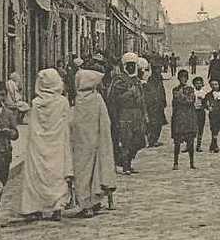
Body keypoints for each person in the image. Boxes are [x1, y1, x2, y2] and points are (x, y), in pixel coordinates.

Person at [19, 68, 73, 221]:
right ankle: (57, 207)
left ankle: (36, 207)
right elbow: (67, 122)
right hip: (57, 143)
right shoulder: (62, 102)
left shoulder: (36, 103)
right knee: (56, 174)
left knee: (38, 174)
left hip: (39, 144)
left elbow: (32, 125)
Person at [69, 66, 117, 216]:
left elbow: (73, 122)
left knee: (82, 173)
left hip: (81, 144)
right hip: (96, 143)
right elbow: (105, 122)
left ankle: (87, 205)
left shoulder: (79, 100)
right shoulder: (97, 99)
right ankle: (93, 202)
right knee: (95, 172)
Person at [107, 53, 147, 174]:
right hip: (124, 113)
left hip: (137, 114)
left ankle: (129, 160)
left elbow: (142, 99)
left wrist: (145, 114)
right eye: (128, 65)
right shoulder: (119, 80)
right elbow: (115, 99)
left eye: (132, 65)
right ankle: (126, 165)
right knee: (126, 140)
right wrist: (129, 93)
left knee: (138, 140)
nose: (130, 68)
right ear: (124, 66)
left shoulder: (137, 80)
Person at [170, 70, 197, 170]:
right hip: (179, 118)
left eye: (185, 77)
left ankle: (192, 162)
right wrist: (184, 98)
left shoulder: (190, 89)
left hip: (189, 118)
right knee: (177, 143)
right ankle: (175, 162)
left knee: (190, 142)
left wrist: (182, 98)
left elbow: (191, 100)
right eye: (181, 77)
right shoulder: (175, 89)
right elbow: (177, 100)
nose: (183, 79)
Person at [144, 62, 168, 148]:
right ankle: (152, 140)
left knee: (159, 123)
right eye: (158, 69)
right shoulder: (151, 79)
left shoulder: (159, 79)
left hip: (159, 105)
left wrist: (164, 100)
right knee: (153, 123)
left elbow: (162, 90)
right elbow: (150, 92)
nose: (159, 70)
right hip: (153, 105)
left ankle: (154, 140)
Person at [203, 79, 220, 153]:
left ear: (219, 85)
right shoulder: (208, 95)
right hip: (212, 114)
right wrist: (208, 107)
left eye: (216, 84)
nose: (214, 86)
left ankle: (213, 144)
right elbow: (205, 103)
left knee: (217, 128)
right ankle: (215, 144)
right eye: (212, 85)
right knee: (213, 128)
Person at [191, 76, 208, 153]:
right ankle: (189, 145)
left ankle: (198, 145)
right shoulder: (192, 92)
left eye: (200, 83)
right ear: (194, 84)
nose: (198, 85)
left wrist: (203, 101)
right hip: (193, 111)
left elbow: (207, 104)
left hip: (201, 112)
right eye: (196, 83)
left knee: (200, 129)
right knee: (191, 129)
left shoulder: (204, 93)